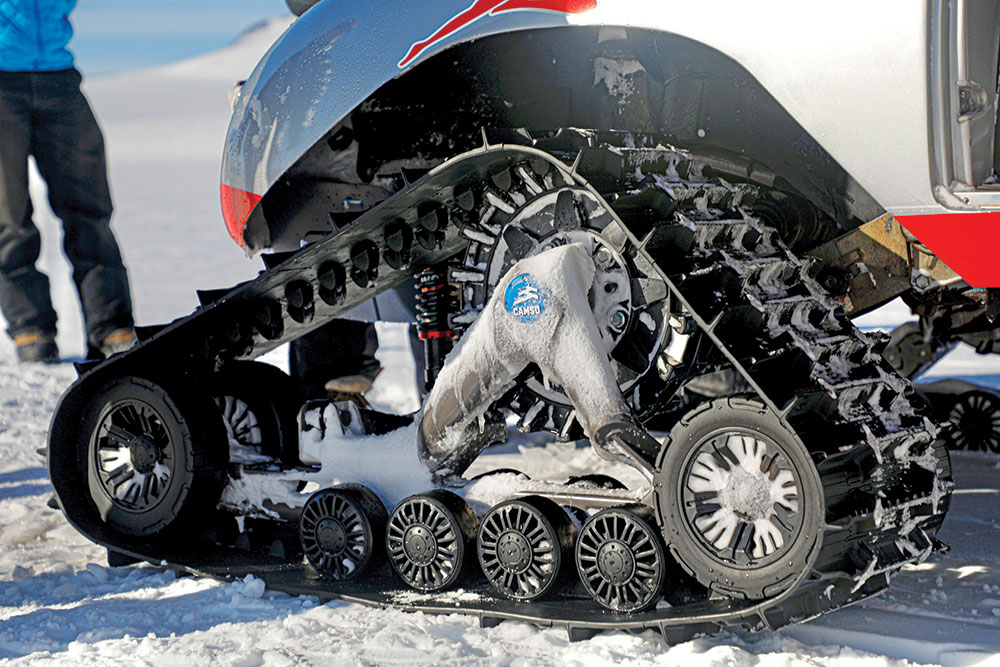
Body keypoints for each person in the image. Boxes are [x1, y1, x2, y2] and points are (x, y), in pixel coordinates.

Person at [0, 0, 136, 363]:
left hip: (59, 76)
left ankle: (111, 327)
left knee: (90, 210)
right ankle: (31, 327)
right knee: (9, 216)